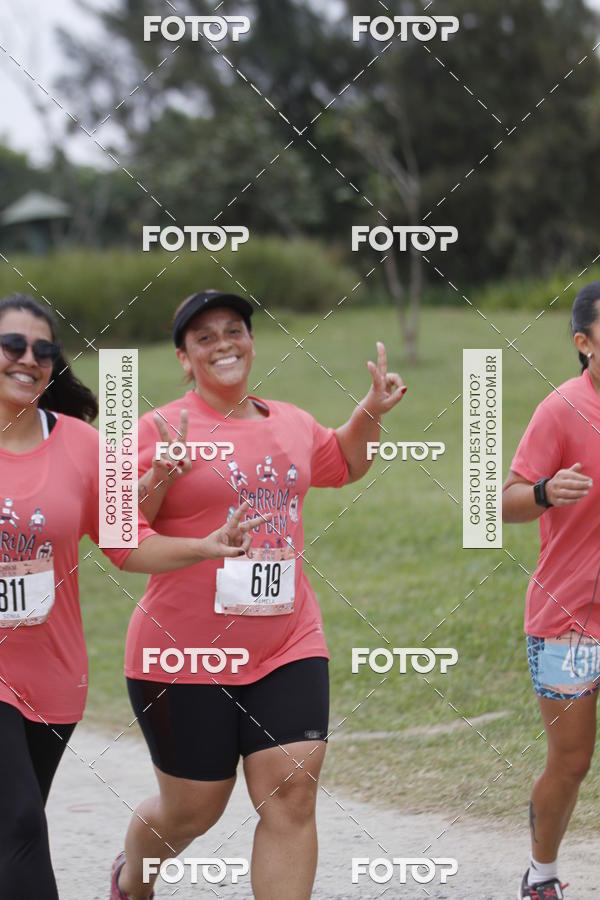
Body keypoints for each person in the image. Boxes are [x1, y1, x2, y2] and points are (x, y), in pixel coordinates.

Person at [111, 289, 406, 900]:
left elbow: (345, 464)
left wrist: (370, 413)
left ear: (251, 341)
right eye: (205, 338)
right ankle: (131, 879)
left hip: (286, 640)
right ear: (184, 358)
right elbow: (122, 532)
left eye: (234, 331)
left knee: (292, 795)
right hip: (184, 654)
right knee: (193, 810)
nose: (224, 344)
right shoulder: (159, 426)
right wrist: (164, 469)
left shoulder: (290, 422)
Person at [0, 293, 263, 900]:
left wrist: (203, 545)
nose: (28, 360)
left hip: (51, 677)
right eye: (12, 346)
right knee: (18, 825)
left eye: (43, 350)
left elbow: (128, 545)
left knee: (13, 825)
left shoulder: (83, 446)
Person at [503, 282, 600, 899]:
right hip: (570, 616)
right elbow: (501, 502)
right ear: (585, 343)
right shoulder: (562, 409)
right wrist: (543, 492)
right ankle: (541, 873)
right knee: (570, 761)